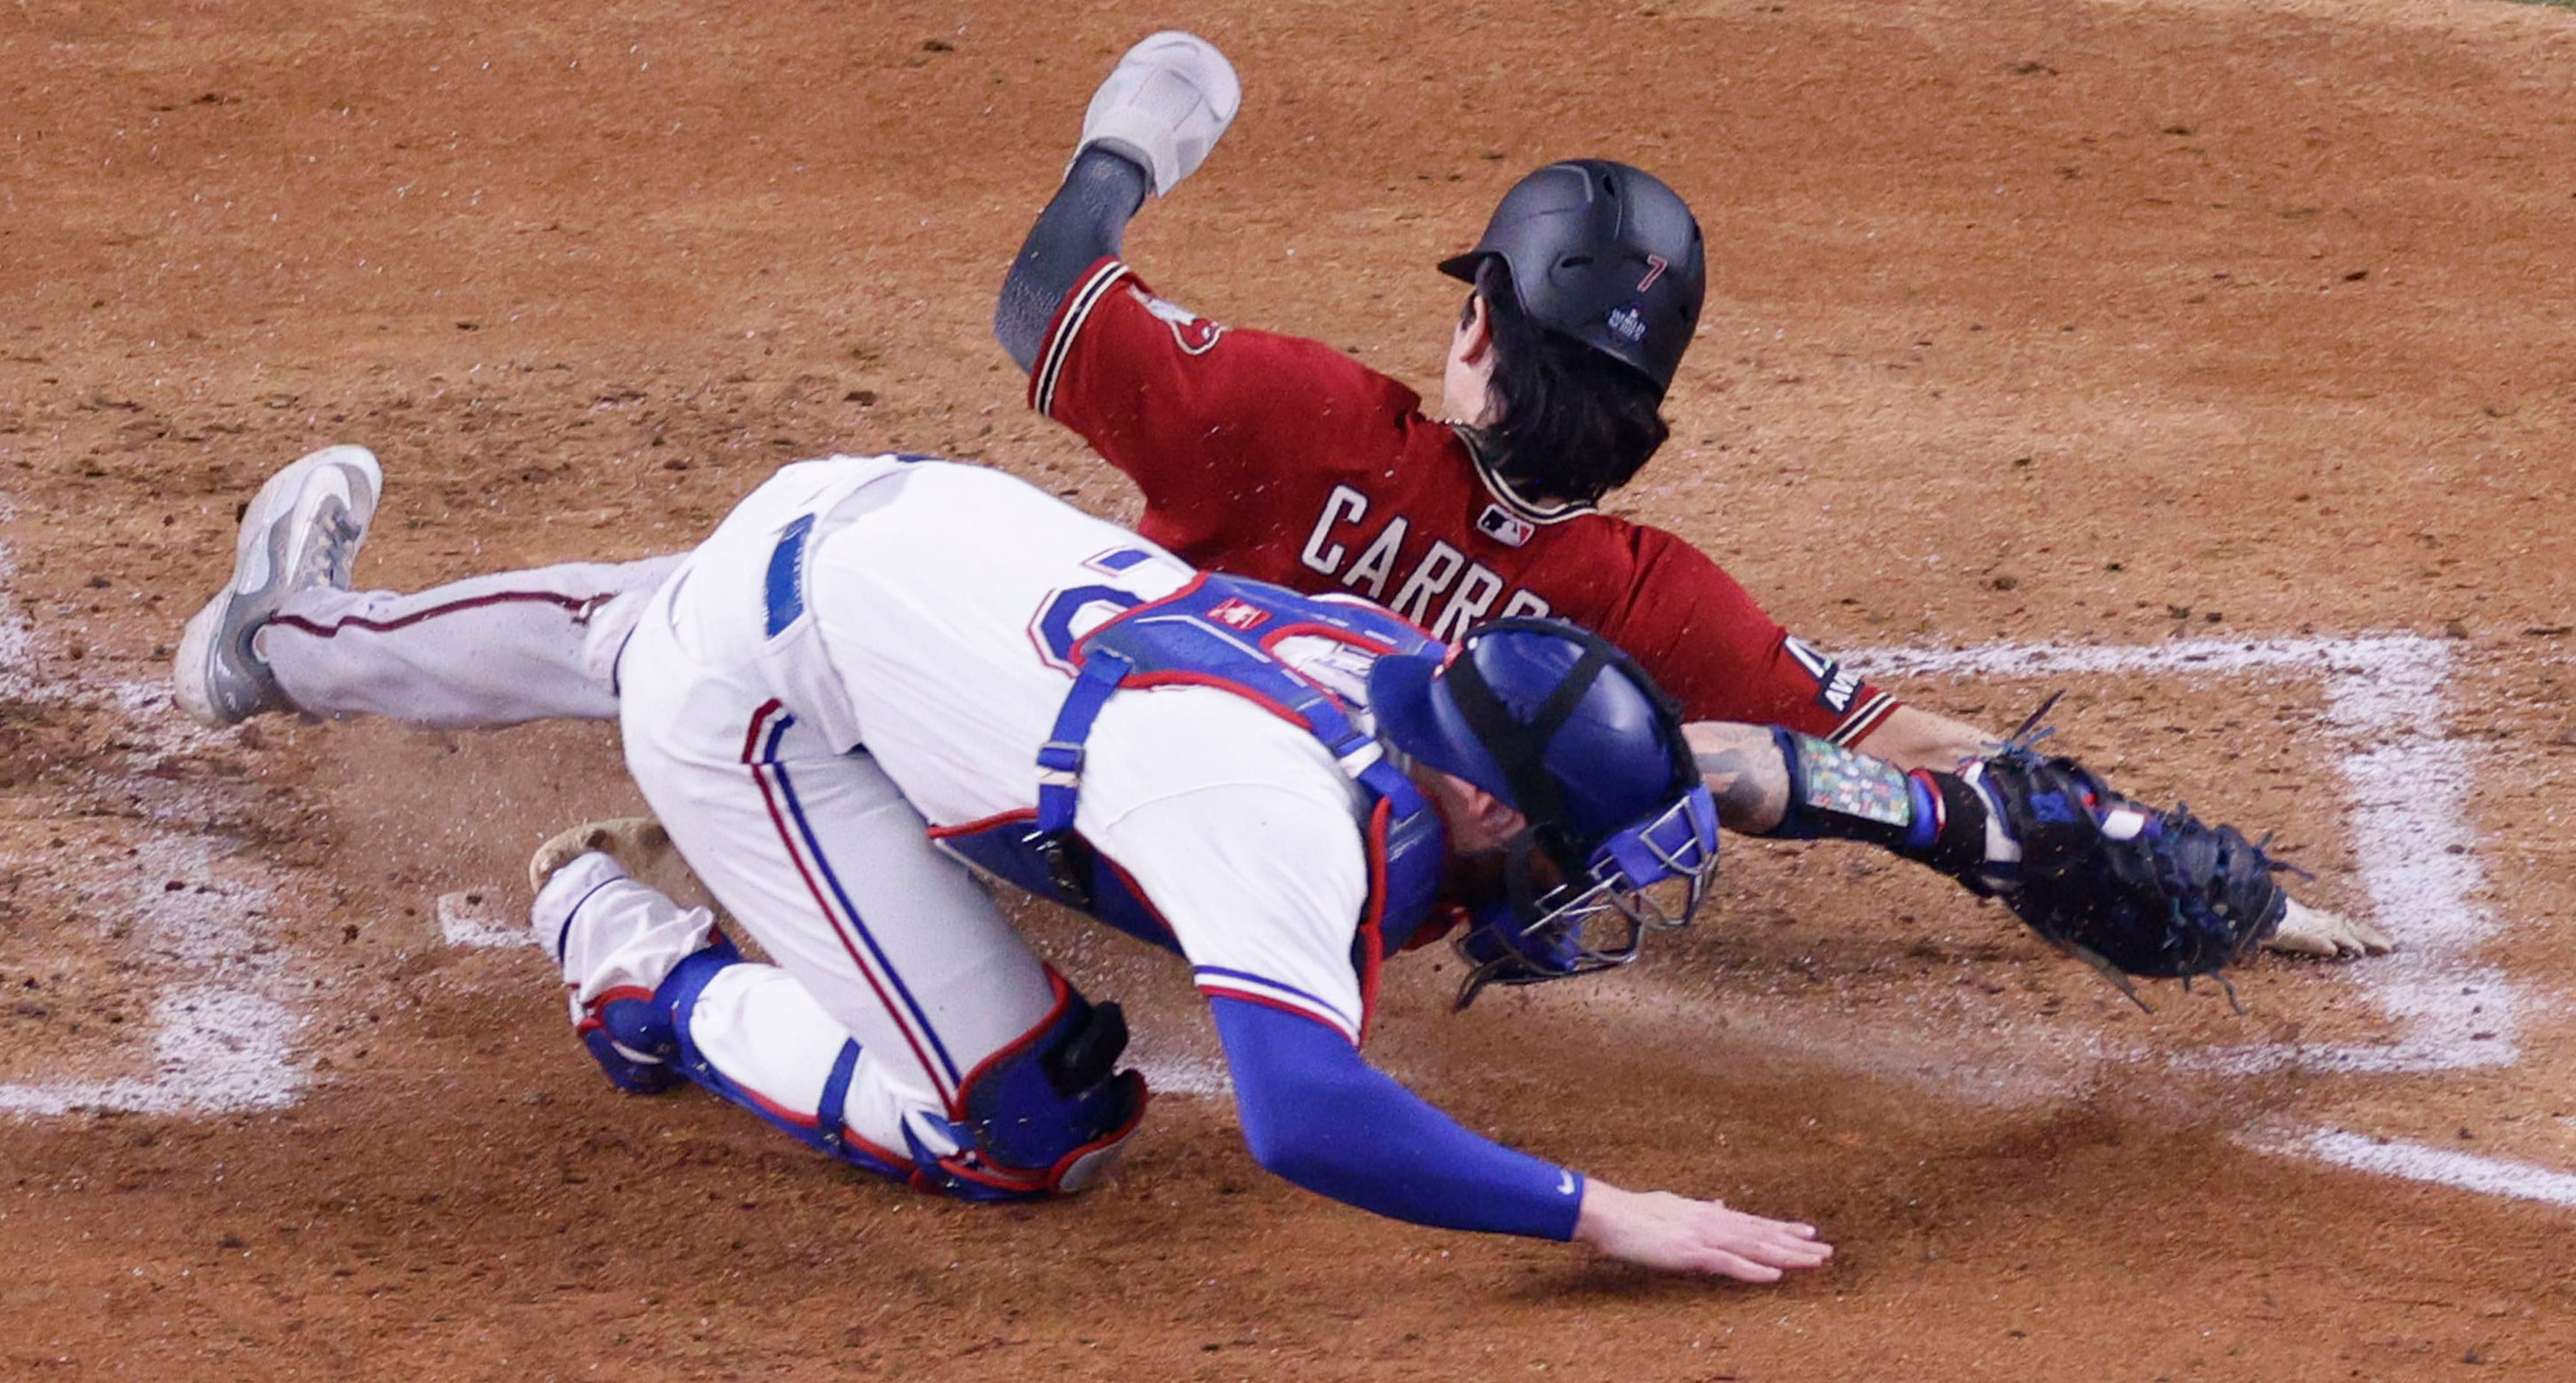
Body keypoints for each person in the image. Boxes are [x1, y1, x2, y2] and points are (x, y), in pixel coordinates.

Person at [188, 443, 2018, 1279]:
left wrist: (1905, 801)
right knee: (1036, 1120)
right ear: (1470, 800)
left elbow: (1638, 772)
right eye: (1567, 849)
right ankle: (634, 964)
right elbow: (1306, 1115)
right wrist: (1600, 1212)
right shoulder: (1275, 819)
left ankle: (276, 643)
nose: (1581, 888)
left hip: (890, 516)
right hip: (771, 699)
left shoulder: (1419, 693)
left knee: (670, 619)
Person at [991, 33, 2389, 957]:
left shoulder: (1293, 417)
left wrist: (1130, 147)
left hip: (1094, 824)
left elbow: (1045, 296)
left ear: (1479, 321)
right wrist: (2138, 842)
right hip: (1334, 907)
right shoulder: (1650, 601)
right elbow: (1906, 750)